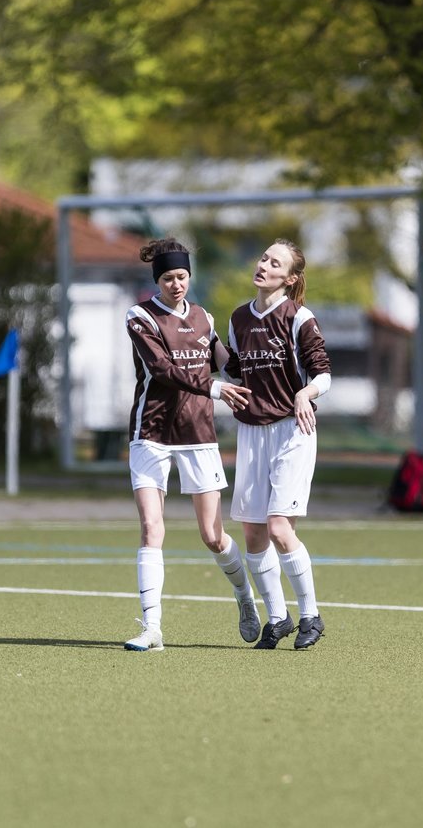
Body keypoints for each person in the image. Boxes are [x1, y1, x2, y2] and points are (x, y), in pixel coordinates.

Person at [122, 238, 259, 652]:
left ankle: (244, 597)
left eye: (181, 276)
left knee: (213, 535)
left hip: (198, 434)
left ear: (189, 276)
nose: (176, 284)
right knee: (151, 527)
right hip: (152, 431)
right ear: (156, 281)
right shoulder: (140, 316)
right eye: (167, 278)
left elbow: (228, 363)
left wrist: (271, 362)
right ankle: (152, 629)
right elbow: (162, 370)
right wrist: (217, 391)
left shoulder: (203, 317)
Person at [224, 238, 332, 650]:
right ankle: (279, 617)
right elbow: (232, 366)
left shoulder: (298, 317)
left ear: (289, 278)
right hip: (252, 432)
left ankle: (310, 615)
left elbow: (323, 373)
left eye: (275, 262)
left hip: (292, 430)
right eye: (264, 257)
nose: (264, 264)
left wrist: (307, 393)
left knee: (279, 528)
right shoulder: (238, 318)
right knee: (253, 532)